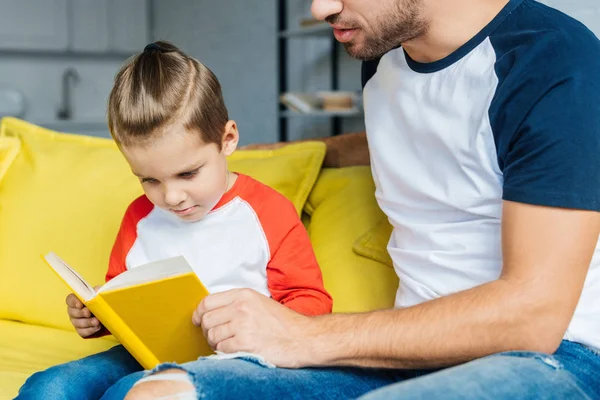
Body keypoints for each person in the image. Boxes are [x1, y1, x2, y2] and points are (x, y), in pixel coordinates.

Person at [116, 0, 600, 399]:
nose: (320, 7)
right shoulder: (382, 57)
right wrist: (279, 155)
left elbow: (534, 315)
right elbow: (431, 138)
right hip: (400, 358)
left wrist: (300, 334)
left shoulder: (556, 61)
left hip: (552, 359)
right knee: (161, 393)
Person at [15, 40, 332, 400]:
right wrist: (98, 318)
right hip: (144, 355)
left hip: (236, 359)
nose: (171, 197)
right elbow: (122, 296)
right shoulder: (139, 216)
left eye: (187, 174)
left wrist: (257, 319)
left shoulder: (266, 211)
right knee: (49, 387)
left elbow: (311, 302)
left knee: (125, 393)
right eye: (149, 180)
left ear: (227, 139)